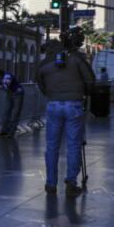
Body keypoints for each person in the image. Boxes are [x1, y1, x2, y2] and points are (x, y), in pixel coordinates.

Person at [36, 39, 94, 196]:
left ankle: (50, 183)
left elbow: (41, 85)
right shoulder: (75, 60)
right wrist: (85, 94)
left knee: (52, 146)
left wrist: (52, 94)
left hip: (53, 105)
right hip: (74, 104)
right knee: (74, 145)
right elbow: (90, 80)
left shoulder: (43, 65)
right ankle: (70, 182)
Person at [0, 68, 25, 137]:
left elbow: (5, 86)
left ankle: (11, 132)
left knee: (15, 113)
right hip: (10, 93)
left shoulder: (7, 76)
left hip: (18, 93)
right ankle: (4, 131)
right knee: (6, 112)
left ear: (0, 74)